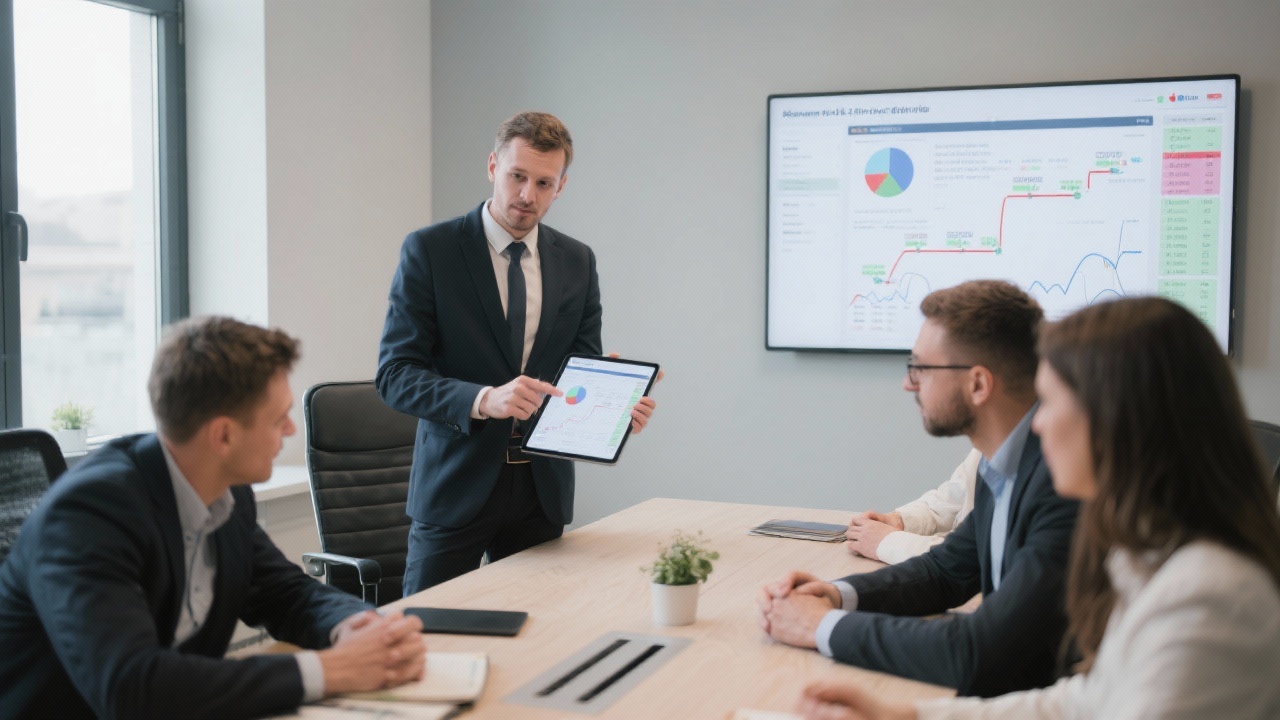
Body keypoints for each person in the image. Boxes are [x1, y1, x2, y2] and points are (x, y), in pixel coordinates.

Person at [795, 296, 1280, 719]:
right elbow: (1083, 703)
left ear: (1117, 419)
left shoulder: (1206, 594)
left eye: (1049, 402)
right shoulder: (1148, 559)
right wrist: (908, 715)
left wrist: (826, 626)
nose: (1039, 427)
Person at [0, 317, 427, 720]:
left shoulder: (224, 491)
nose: (292, 431)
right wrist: (329, 670)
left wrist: (355, 626)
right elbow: (130, 688)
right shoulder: (87, 516)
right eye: (279, 418)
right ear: (223, 435)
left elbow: (284, 592)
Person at [377, 111, 656, 594]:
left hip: (540, 492)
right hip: (455, 486)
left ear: (561, 186)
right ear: (492, 166)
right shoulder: (431, 250)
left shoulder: (577, 260)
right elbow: (395, 375)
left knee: (539, 639)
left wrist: (611, 406)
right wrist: (485, 399)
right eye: (517, 176)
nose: (528, 195)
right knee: (428, 636)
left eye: (544, 183)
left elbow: (578, 372)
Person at [758, 280, 1080, 697]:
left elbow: (981, 652)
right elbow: (947, 571)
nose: (909, 384)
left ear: (978, 385)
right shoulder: (1001, 463)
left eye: (921, 368)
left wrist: (819, 625)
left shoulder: (1064, 482)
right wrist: (835, 595)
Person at [845, 448, 980, 564]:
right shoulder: (981, 452)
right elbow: (949, 501)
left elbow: (971, 560)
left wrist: (888, 542)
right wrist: (900, 521)